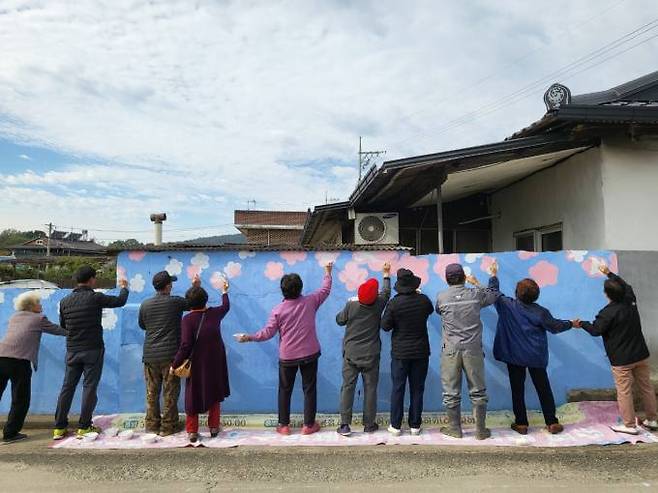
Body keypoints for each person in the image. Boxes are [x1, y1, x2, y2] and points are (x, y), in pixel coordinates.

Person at [237, 263, 333, 436]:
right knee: (309, 389)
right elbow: (325, 290)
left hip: (287, 357)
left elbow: (267, 333)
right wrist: (327, 272)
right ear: (300, 288)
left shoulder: (278, 310)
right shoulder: (311, 301)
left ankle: (284, 426)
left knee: (284, 390)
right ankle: (308, 425)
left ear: (283, 291)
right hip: (310, 354)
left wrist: (249, 337)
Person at [490, 267, 575, 435]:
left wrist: (493, 274)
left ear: (516, 293)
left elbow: (494, 291)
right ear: (536, 295)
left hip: (514, 356)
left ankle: (521, 424)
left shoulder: (507, 305)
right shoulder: (541, 312)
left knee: (517, 389)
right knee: (543, 388)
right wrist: (572, 323)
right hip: (536, 356)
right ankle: (551, 422)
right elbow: (556, 326)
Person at [576, 264, 658, 434]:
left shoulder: (607, 313)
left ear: (607, 294)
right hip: (640, 354)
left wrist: (581, 324)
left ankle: (629, 425)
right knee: (646, 388)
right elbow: (627, 286)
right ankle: (653, 419)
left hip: (622, 360)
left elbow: (595, 330)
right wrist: (609, 273)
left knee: (624, 392)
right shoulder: (630, 300)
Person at [53, 266, 129, 440]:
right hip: (93, 349)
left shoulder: (65, 301)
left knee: (67, 387)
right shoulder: (95, 297)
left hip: (72, 350)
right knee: (89, 386)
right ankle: (84, 426)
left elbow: (64, 326)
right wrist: (124, 287)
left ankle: (59, 428)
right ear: (91, 280)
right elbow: (119, 301)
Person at [435, 263, 499, 440]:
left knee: (450, 391)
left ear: (447, 279)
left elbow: (439, 311)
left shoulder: (441, 297)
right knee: (478, 390)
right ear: (464, 277)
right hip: (473, 350)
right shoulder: (476, 295)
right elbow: (494, 295)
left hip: (450, 350)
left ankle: (455, 429)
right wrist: (478, 282)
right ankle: (480, 431)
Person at [138, 272, 200, 436]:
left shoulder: (145, 304)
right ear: (167, 286)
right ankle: (168, 426)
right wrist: (195, 286)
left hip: (150, 355)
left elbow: (143, 325)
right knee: (170, 393)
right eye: (170, 283)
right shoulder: (175, 302)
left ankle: (151, 426)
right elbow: (193, 303)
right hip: (170, 355)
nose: (172, 285)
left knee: (152, 392)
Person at [0, 291, 67, 442]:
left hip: (1, 357)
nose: (41, 305)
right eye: (38, 303)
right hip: (19, 361)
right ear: (31, 306)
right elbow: (57, 330)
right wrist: (75, 333)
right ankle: (10, 434)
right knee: (20, 399)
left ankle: (11, 433)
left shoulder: (14, 317)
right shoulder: (39, 318)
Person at [171, 278, 230, 443]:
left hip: (197, 363)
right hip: (216, 361)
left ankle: (192, 431)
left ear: (189, 304)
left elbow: (185, 346)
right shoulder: (215, 313)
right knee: (214, 392)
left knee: (193, 395)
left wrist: (174, 364)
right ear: (206, 299)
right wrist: (225, 291)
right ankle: (213, 427)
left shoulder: (188, 320)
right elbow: (226, 306)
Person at [335, 262, 391, 436]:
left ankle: (345, 425)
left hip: (351, 354)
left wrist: (350, 303)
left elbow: (339, 320)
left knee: (348, 387)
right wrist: (386, 274)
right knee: (370, 389)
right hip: (371, 354)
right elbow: (386, 293)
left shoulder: (351, 305)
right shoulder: (379, 303)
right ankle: (369, 424)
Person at [381, 268, 434, 436]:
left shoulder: (394, 303)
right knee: (417, 388)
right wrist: (418, 295)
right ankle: (415, 425)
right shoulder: (424, 300)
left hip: (400, 354)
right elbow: (430, 310)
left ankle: (396, 426)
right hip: (421, 352)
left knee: (398, 388)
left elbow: (385, 326)